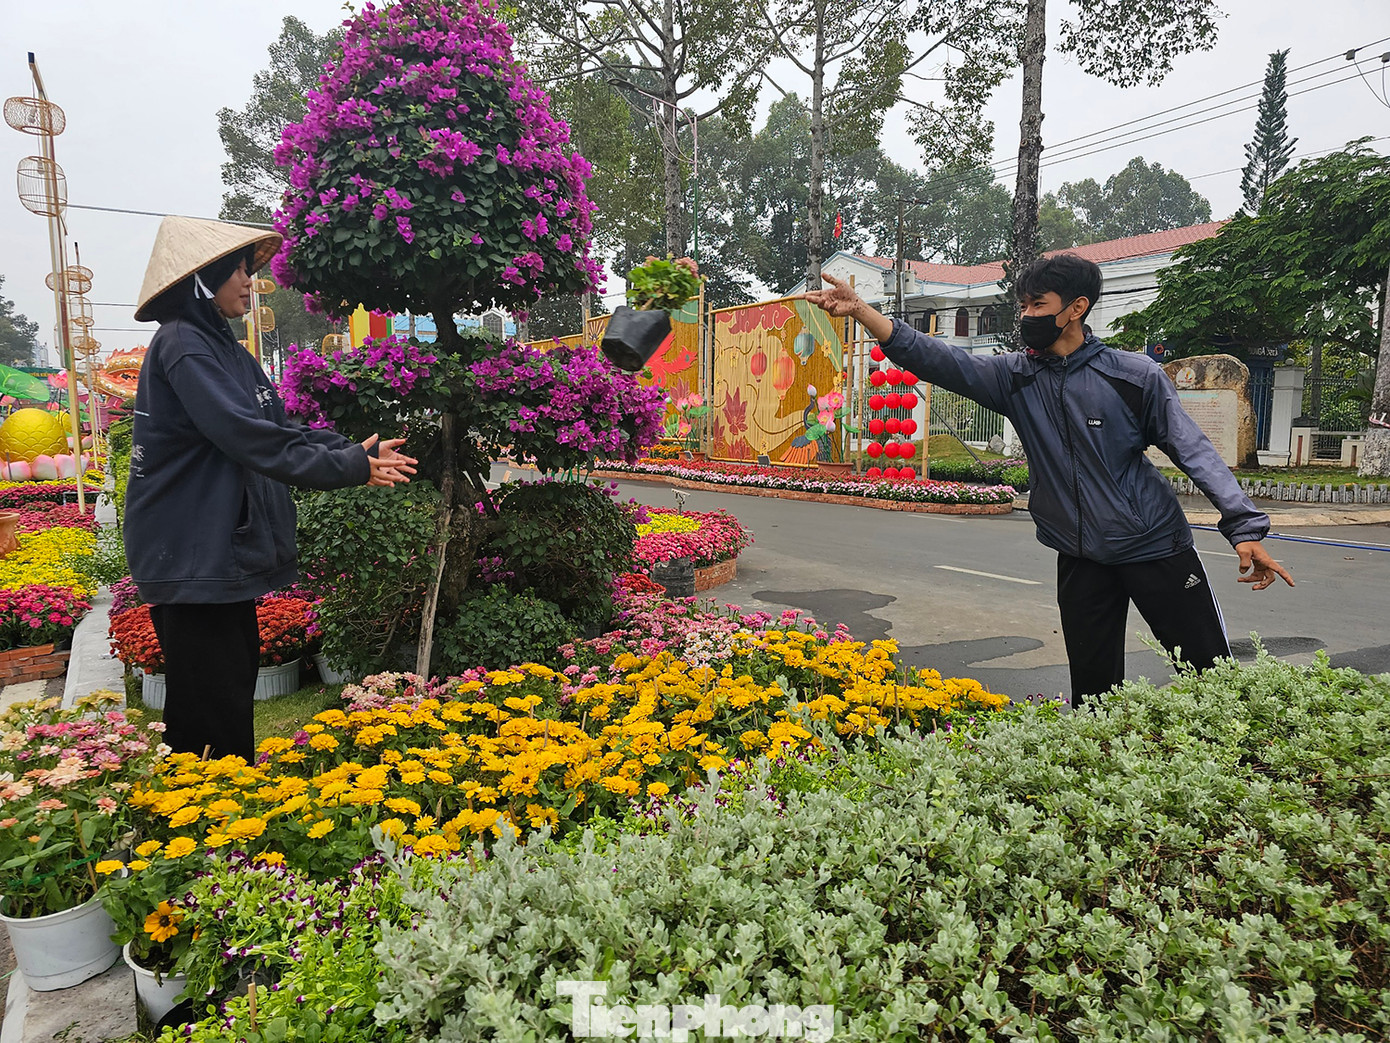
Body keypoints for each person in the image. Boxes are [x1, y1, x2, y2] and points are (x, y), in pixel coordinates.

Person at [800, 254, 1294, 705]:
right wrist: (864, 313)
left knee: (1211, 676)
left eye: (1039, 304)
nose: (1026, 315)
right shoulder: (1016, 377)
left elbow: (1194, 450)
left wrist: (1243, 528)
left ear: (1077, 307)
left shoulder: (1133, 375)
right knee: (1094, 694)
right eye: (1022, 305)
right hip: (1080, 556)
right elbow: (939, 359)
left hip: (1154, 547)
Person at [125, 216, 417, 760]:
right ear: (202, 279)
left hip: (212, 554)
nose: (248, 281)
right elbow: (247, 437)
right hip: (192, 551)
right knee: (209, 707)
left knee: (227, 692)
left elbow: (279, 427)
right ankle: (205, 824)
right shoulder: (184, 345)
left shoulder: (224, 349)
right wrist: (348, 467)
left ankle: (219, 814)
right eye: (237, 270)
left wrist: (352, 451)